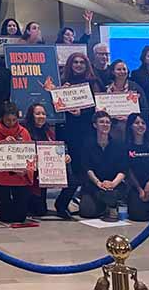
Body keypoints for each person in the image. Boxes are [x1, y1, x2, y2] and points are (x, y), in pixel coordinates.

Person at [53, 52, 102, 219]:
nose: (79, 65)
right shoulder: (62, 82)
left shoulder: (93, 83)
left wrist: (82, 111)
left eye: (82, 62)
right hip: (66, 131)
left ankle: (77, 202)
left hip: (86, 131)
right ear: (70, 65)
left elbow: (99, 106)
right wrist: (61, 94)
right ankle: (62, 203)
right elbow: (55, 105)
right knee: (69, 169)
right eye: (75, 62)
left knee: (82, 169)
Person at [0, 101, 32, 224]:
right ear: (2, 118)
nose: (11, 123)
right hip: (1, 177)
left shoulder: (23, 132)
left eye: (14, 120)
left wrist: (26, 170)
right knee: (5, 216)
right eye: (8, 120)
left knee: (20, 217)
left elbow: (31, 156)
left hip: (20, 178)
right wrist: (2, 144)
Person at [77, 111, 128, 221]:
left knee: (111, 195)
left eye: (108, 122)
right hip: (95, 184)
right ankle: (103, 205)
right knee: (87, 212)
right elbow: (87, 168)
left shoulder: (118, 144)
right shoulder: (88, 144)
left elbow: (123, 169)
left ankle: (110, 204)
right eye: (101, 122)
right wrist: (98, 183)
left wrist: (113, 184)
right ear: (95, 125)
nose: (105, 125)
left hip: (114, 184)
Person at [22, 103, 69, 217]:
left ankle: (62, 205)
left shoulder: (49, 131)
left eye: (43, 113)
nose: (41, 116)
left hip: (45, 171)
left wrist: (65, 155)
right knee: (35, 211)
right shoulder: (24, 131)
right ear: (31, 115)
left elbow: (57, 148)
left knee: (40, 211)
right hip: (29, 173)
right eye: (37, 114)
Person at [104, 59, 149, 133]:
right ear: (113, 72)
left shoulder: (135, 87)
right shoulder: (106, 88)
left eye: (124, 69)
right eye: (119, 69)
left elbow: (145, 108)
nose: (122, 72)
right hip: (111, 127)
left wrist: (131, 119)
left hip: (132, 128)